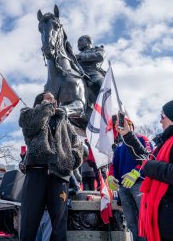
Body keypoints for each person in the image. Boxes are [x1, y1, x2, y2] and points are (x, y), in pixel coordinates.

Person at [118, 98, 173, 241]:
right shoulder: (172, 140)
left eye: (162, 116)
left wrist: (148, 166)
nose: (160, 121)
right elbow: (148, 158)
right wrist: (128, 136)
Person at [19, 91, 83, 241]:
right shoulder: (28, 113)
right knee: (29, 219)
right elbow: (30, 126)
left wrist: (70, 159)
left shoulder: (65, 123)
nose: (52, 101)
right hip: (37, 171)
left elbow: (77, 145)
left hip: (60, 175)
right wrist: (45, 109)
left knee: (59, 223)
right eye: (47, 99)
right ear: (39, 102)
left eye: (53, 99)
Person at [108, 117, 152, 241]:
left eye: (123, 124)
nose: (120, 128)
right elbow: (114, 165)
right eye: (117, 126)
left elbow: (149, 157)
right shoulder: (118, 147)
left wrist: (137, 172)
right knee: (131, 222)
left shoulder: (142, 139)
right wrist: (111, 177)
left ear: (130, 125)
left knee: (145, 220)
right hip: (123, 187)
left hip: (140, 184)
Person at [76, 35, 106, 115]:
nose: (78, 43)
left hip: (93, 75)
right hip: (80, 76)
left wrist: (81, 56)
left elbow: (100, 56)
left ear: (89, 42)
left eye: (81, 40)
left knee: (104, 88)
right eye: (78, 41)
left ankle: (107, 108)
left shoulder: (98, 49)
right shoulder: (75, 56)